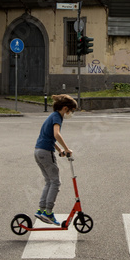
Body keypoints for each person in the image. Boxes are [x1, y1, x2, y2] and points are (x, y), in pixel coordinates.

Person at [34, 94, 77, 225]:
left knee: (49, 181)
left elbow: (49, 137)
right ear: (65, 108)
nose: (71, 114)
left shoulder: (52, 116)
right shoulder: (57, 117)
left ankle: (41, 210)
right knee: (56, 182)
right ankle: (48, 212)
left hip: (38, 151)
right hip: (46, 152)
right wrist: (67, 148)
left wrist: (60, 151)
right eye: (71, 111)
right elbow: (56, 134)